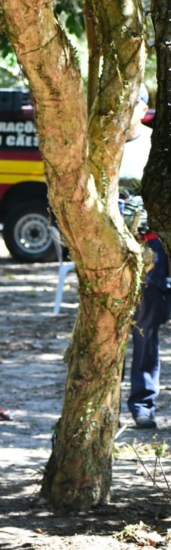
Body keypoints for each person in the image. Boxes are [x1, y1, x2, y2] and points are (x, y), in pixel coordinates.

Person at [122, 84, 171, 429]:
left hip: (154, 246)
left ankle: (143, 401)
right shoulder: (101, 146)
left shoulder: (157, 145)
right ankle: (138, 403)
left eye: (132, 104)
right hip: (115, 245)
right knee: (134, 325)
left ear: (143, 107)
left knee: (148, 320)